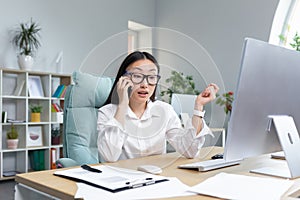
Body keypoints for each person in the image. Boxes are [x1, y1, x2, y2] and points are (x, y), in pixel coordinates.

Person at [97, 51, 219, 162]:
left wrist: (199, 107)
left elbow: (190, 151)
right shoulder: (107, 112)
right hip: (122, 181)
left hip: (157, 179)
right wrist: (122, 105)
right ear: (123, 79)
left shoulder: (164, 110)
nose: (145, 84)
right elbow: (109, 156)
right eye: (137, 76)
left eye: (151, 77)